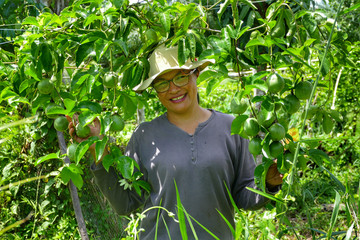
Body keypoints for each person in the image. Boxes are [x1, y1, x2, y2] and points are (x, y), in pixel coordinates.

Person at [68, 45, 283, 239]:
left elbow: (244, 197)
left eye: (180, 77)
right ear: (154, 90)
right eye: (162, 83)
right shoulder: (144, 136)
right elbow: (125, 203)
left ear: (196, 73)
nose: (173, 89)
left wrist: (269, 183)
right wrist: (98, 150)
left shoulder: (232, 128)